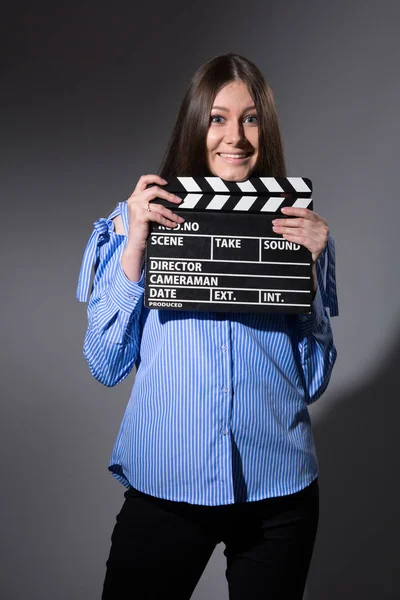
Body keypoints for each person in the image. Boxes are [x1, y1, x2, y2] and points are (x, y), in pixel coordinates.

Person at [77, 53, 338, 600]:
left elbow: (311, 383)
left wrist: (307, 278)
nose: (235, 137)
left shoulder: (300, 232)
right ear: (195, 124)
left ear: (266, 128)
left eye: (251, 118)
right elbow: (104, 363)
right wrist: (134, 249)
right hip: (165, 485)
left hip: (279, 491)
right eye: (218, 117)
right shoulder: (136, 221)